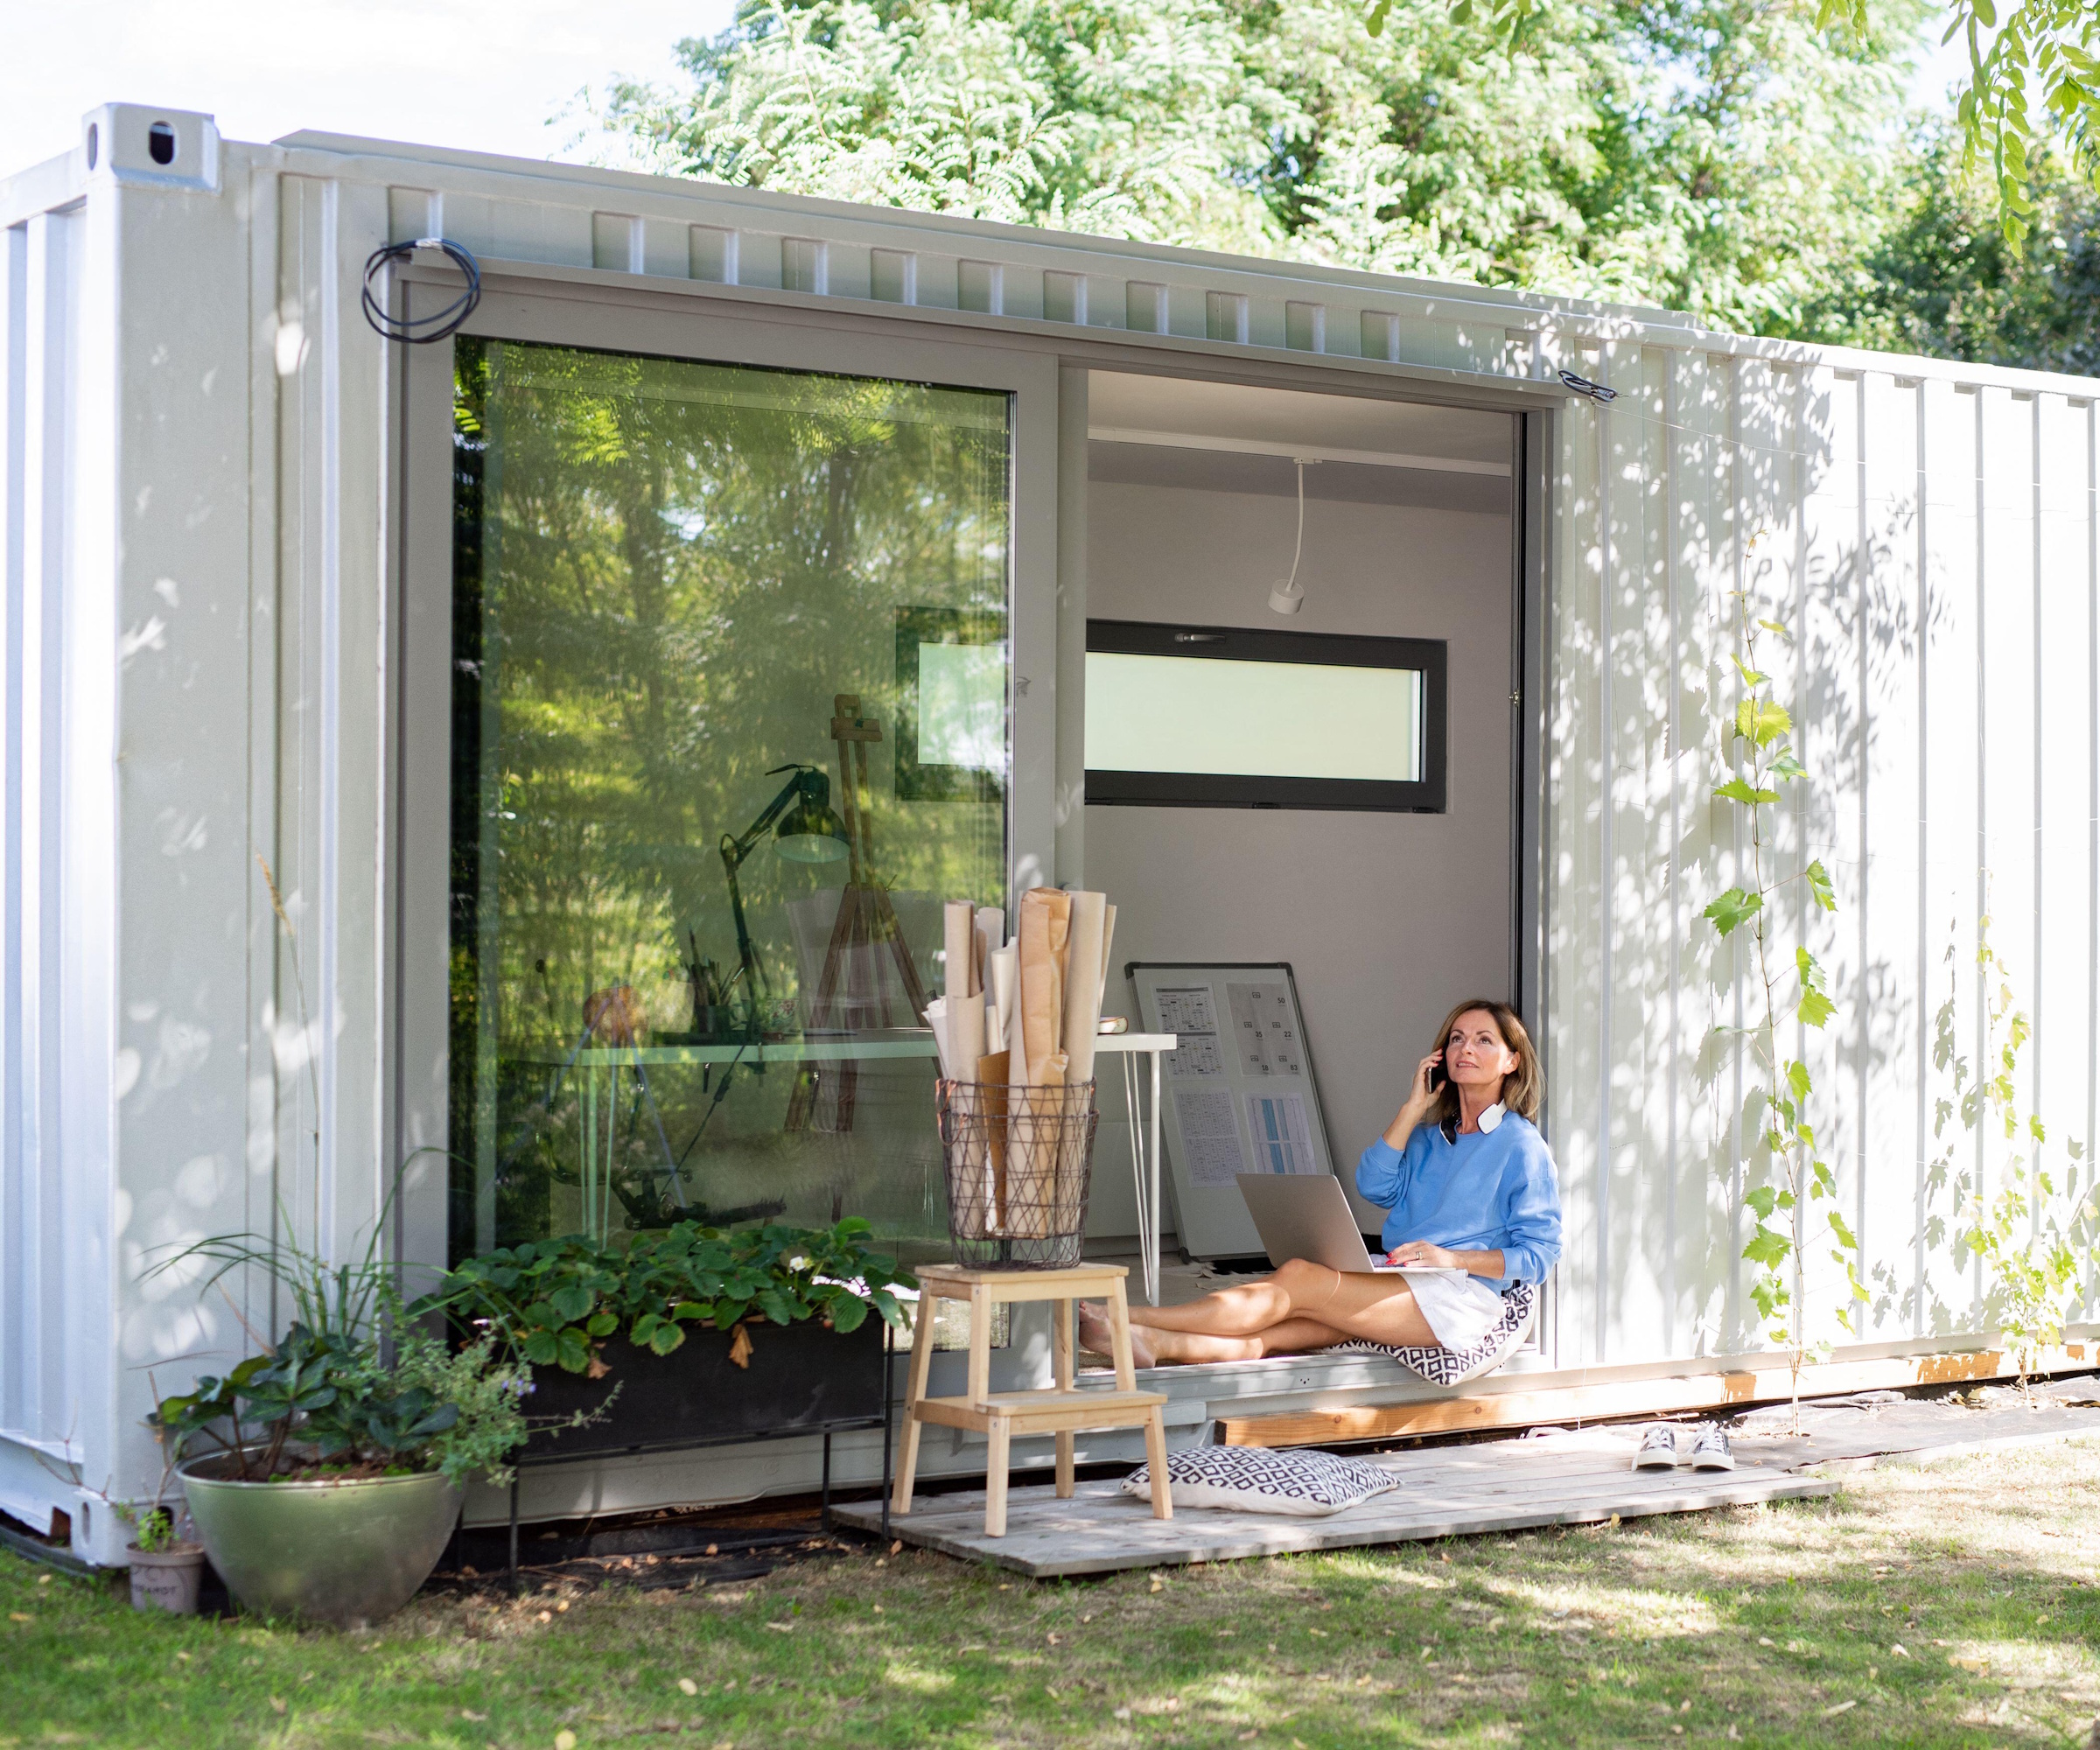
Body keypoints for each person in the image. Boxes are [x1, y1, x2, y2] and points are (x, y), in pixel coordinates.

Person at [1077, 999, 1561, 1368]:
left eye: (1483, 1040)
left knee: (1300, 1280)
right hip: (1399, 1280)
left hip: (1460, 1298)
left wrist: (1453, 1258)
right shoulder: (1431, 1138)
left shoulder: (1521, 1146)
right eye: (1456, 1039)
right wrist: (1412, 1109)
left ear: (1512, 1062)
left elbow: (1540, 1255)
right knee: (1286, 1328)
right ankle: (1151, 1345)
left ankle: (1129, 1317)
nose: (1466, 1049)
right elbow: (1375, 1186)